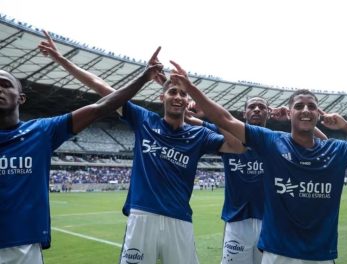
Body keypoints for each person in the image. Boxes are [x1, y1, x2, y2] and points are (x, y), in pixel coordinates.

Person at [39, 33, 244, 264]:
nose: (178, 96)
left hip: (180, 219)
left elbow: (237, 145)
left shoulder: (200, 134)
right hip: (142, 215)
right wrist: (61, 59)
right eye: (172, 92)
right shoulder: (144, 119)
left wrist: (201, 116)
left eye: (183, 94)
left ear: (189, 100)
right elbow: (101, 87)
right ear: (162, 96)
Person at [169, 61, 347, 264]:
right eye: (299, 107)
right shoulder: (273, 142)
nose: (306, 110)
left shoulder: (334, 149)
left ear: (318, 114)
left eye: (311, 107)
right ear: (289, 113)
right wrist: (191, 91)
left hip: (320, 253)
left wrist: (346, 126)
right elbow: (224, 120)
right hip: (273, 247)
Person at [0, 32, 164, 264]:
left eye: (6, 85)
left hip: (24, 247)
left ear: (21, 98)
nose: (0, 89)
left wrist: (143, 77)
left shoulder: (40, 131)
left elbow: (100, 107)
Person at [186, 98, 327, 264]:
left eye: (262, 107)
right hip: (237, 221)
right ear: (244, 113)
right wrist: (195, 110)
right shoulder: (228, 136)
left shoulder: (280, 141)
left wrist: (291, 116)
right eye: (252, 107)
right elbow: (192, 122)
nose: (257, 109)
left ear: (268, 112)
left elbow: (323, 144)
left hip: (271, 223)